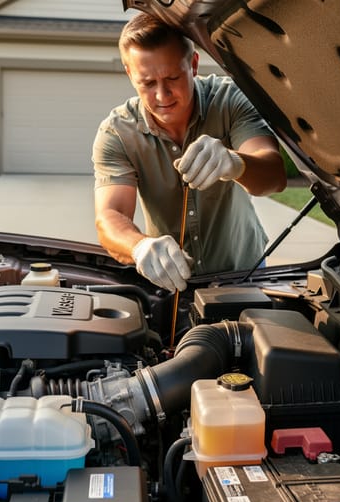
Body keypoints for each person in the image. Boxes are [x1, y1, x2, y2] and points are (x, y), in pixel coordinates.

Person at [92, 12, 286, 293]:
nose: (162, 96)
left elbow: (274, 176)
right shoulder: (117, 133)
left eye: (172, 77)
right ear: (129, 74)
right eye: (147, 83)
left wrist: (235, 163)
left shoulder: (231, 100)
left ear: (193, 64)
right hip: (170, 282)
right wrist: (139, 246)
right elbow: (110, 215)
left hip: (245, 274)